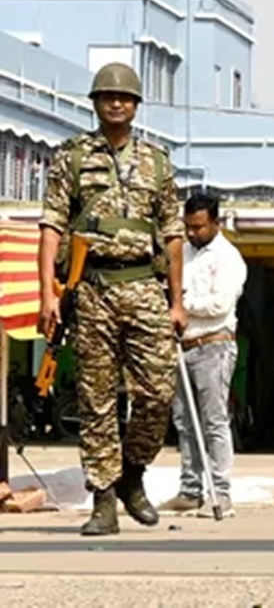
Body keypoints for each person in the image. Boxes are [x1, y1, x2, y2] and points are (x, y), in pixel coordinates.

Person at [36, 62, 187, 536]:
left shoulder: (157, 162)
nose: (116, 103)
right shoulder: (72, 157)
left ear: (136, 106)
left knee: (157, 394)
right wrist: (47, 295)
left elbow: (173, 233)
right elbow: (51, 226)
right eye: (107, 96)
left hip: (144, 287)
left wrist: (177, 302)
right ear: (96, 103)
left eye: (124, 97)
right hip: (92, 289)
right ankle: (103, 500)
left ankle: (132, 476)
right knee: (96, 399)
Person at [158, 192, 247, 516]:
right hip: (183, 346)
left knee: (213, 421)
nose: (192, 233)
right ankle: (190, 490)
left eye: (198, 227)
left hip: (214, 346)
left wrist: (179, 305)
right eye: (188, 227)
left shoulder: (228, 258)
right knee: (184, 421)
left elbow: (218, 305)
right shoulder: (183, 252)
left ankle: (221, 493)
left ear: (215, 223)